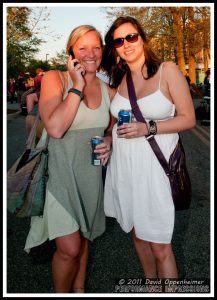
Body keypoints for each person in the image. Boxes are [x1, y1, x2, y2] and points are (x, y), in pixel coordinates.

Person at [101, 16, 196, 280]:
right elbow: (112, 126)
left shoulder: (167, 70)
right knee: (138, 237)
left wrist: (148, 128)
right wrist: (109, 139)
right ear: (114, 47)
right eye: (119, 41)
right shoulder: (118, 79)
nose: (126, 44)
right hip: (125, 170)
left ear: (142, 38)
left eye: (131, 37)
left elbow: (188, 118)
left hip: (155, 170)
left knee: (160, 245)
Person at [24, 25, 116, 293]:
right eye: (82, 47)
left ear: (103, 50)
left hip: (90, 176)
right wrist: (76, 87)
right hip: (59, 176)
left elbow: (112, 127)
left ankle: (79, 290)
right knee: (69, 247)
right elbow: (55, 128)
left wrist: (110, 139)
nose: (90, 53)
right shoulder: (56, 79)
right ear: (71, 52)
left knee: (84, 238)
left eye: (96, 47)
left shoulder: (107, 88)